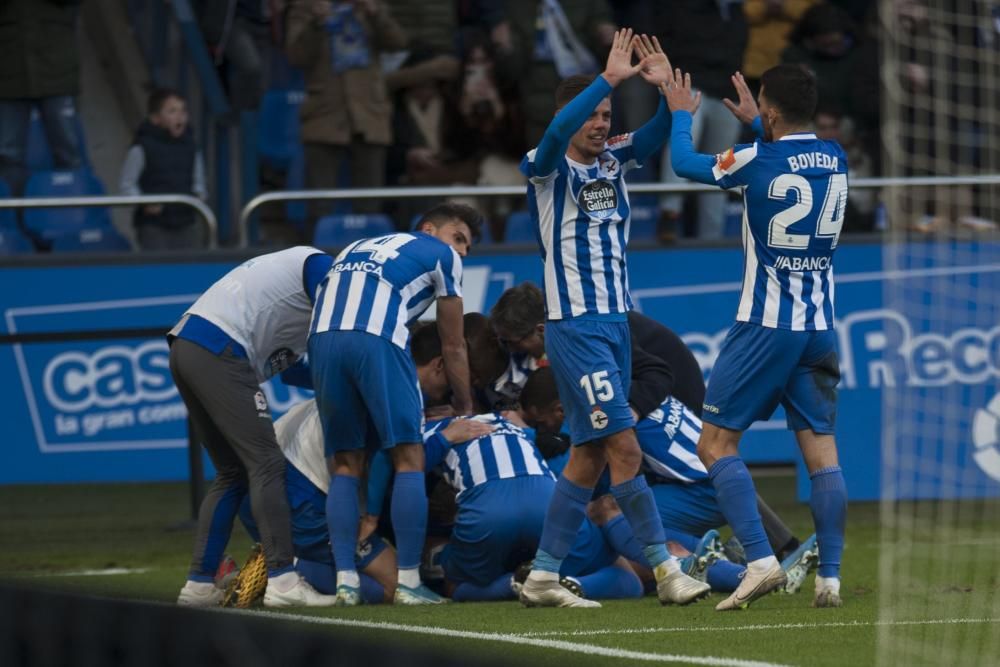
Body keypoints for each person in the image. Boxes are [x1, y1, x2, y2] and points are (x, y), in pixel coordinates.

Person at [516, 29, 709, 608]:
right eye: (592, 115)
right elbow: (554, 134)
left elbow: (648, 139)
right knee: (624, 447)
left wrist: (664, 101)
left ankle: (544, 575)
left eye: (605, 114)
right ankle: (668, 573)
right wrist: (608, 76)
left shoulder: (613, 157)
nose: (600, 124)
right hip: (576, 328)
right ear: (569, 116)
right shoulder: (543, 167)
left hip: (615, 325)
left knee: (588, 454)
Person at [663, 64, 848, 609]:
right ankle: (830, 579)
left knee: (713, 444)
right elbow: (789, 158)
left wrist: (680, 114)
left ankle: (760, 561)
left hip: (766, 326)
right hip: (819, 327)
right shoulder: (837, 158)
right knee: (822, 451)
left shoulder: (755, 159)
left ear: (768, 113)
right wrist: (760, 123)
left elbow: (682, 163)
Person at [308, 202, 481, 606]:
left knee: (346, 464)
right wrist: (464, 402)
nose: (462, 251)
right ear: (428, 228)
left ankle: (346, 582)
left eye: (467, 247)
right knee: (409, 457)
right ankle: (407, 582)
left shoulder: (356, 246)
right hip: (377, 335)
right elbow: (452, 344)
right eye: (459, 238)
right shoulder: (442, 256)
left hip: (322, 339)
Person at [519, 366, 821, 596]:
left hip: (701, 489)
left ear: (559, 409)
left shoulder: (593, 411)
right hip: (718, 478)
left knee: (611, 511)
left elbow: (596, 474)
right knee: (638, 528)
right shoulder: (623, 385)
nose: (545, 430)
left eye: (542, 423)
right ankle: (735, 562)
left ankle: (715, 568)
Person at [169, 246, 337, 608]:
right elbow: (335, 331)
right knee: (267, 463)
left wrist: (337, 378)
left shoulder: (301, 307)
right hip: (219, 346)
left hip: (188, 345)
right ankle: (283, 581)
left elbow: (293, 369)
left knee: (232, 472)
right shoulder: (324, 266)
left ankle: (199, 586)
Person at [233, 399, 399, 604]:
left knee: (382, 578)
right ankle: (282, 572)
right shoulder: (391, 402)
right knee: (395, 586)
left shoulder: (352, 383)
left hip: (263, 486)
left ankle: (284, 565)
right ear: (437, 365)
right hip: (296, 492)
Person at [285, 0, 407, 233]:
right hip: (324, 114)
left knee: (370, 204)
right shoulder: (304, 6)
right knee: (320, 204)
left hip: (369, 113)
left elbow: (397, 42)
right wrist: (316, 23)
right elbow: (296, 56)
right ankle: (318, 259)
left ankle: (371, 260)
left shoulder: (371, 5)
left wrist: (375, 14)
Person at [0, 0, 84, 196]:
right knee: (7, 156)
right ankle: (13, 220)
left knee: (68, 151)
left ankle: (72, 216)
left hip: (57, 72)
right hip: (9, 73)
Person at [119, 89, 208, 251]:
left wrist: (198, 197)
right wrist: (145, 203)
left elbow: (199, 183)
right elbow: (127, 185)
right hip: (154, 226)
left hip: (186, 222)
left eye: (183, 110)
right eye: (172, 111)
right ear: (155, 118)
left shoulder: (192, 146)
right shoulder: (141, 147)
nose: (179, 116)